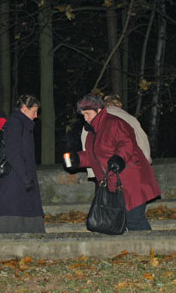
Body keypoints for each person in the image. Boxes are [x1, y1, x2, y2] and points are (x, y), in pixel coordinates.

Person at [67, 94, 160, 231]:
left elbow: (126, 143)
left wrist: (119, 158)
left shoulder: (114, 123)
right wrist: (77, 159)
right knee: (120, 221)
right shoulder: (92, 132)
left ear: (99, 110)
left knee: (134, 219)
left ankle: (149, 244)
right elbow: (94, 156)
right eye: (83, 115)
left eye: (88, 114)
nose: (85, 118)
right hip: (115, 182)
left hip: (132, 179)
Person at [0, 94, 45, 234]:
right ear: (24, 108)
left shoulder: (21, 124)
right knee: (13, 214)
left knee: (24, 211)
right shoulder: (15, 123)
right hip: (14, 180)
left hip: (18, 178)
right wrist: (25, 178)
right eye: (34, 111)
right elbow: (13, 153)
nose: (36, 116)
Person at [79, 93, 151, 179]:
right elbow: (142, 141)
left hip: (106, 170)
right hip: (134, 166)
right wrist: (146, 161)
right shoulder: (131, 118)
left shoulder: (94, 121)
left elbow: (88, 147)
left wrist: (92, 172)